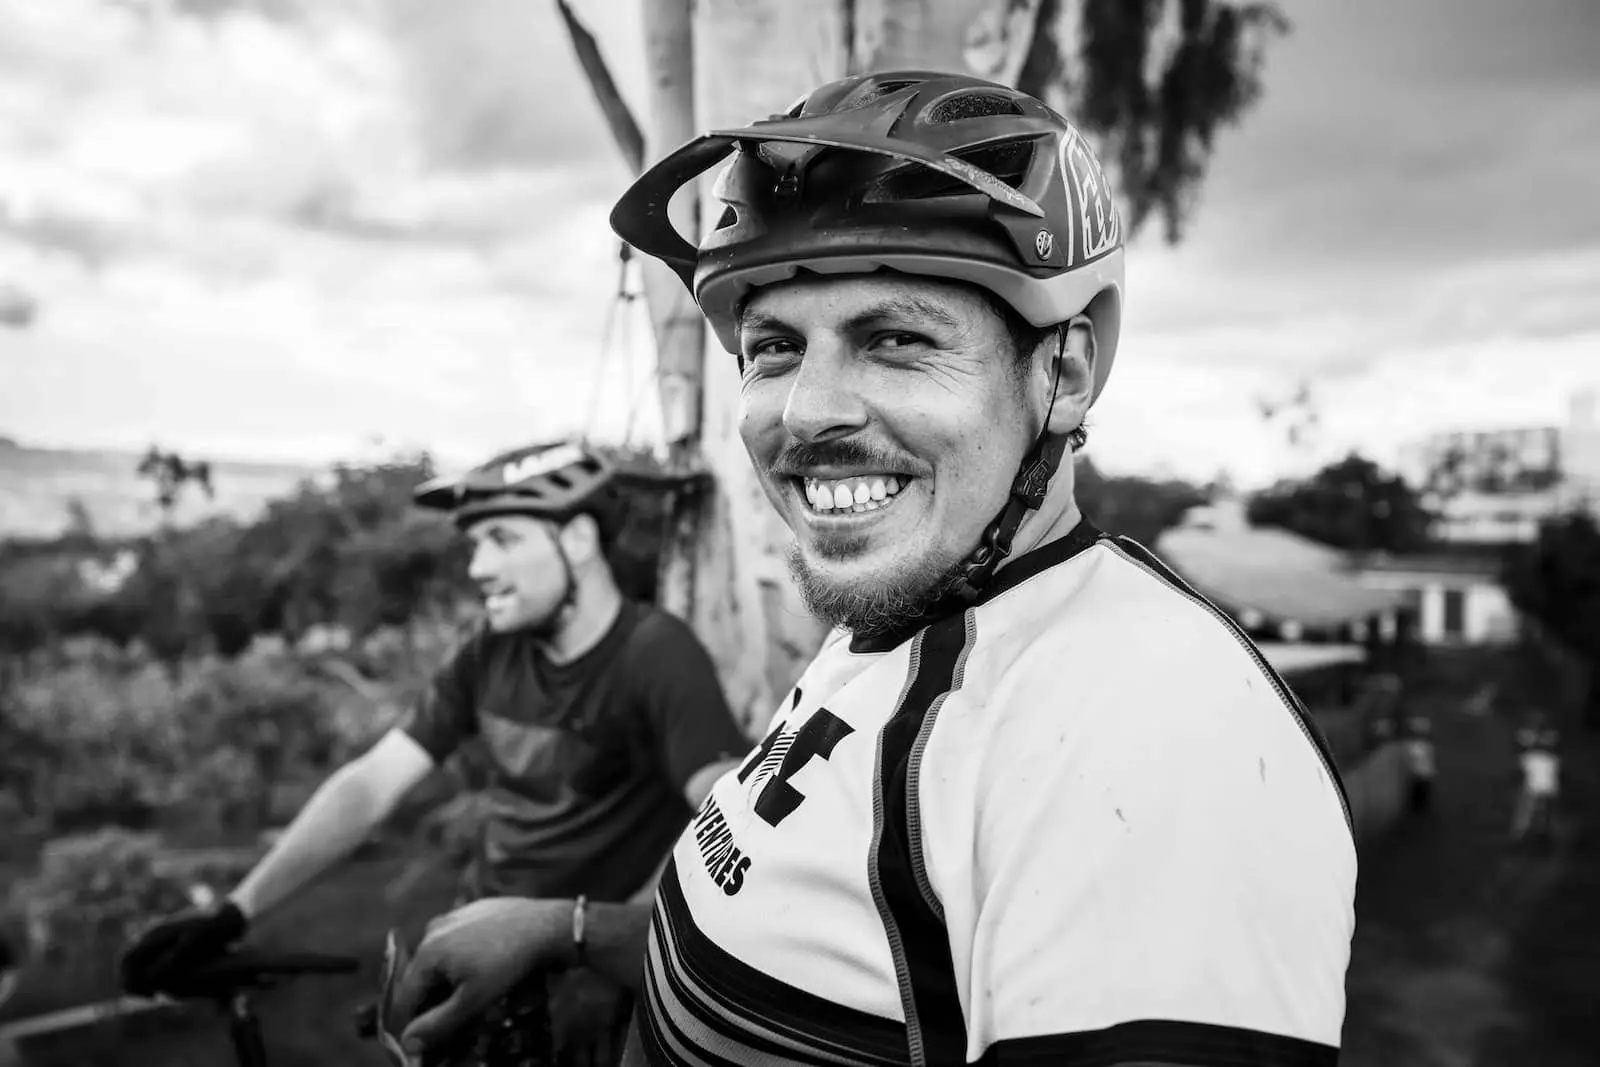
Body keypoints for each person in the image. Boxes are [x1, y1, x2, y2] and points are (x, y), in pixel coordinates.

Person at [387, 71, 1358, 1066]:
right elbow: (808, 953)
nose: (807, 412)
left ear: (1061, 372)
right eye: (773, 347)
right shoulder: (902, 618)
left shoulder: (1148, 737)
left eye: (894, 338)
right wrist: (571, 931)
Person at [120, 441, 750, 1063]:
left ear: (579, 540)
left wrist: (609, 946)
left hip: (580, 980)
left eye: (502, 539)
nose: (478, 567)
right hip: (478, 954)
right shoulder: (489, 652)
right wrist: (234, 912)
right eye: (475, 544)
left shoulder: (655, 654)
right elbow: (373, 783)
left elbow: (727, 810)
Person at [1511, 712, 1561, 843]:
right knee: (1530, 808)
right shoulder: (1528, 740)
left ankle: (1540, 834)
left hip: (1543, 778)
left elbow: (1551, 740)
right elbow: (1522, 741)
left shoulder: (1547, 741)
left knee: (1543, 809)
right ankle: (1523, 834)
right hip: (1536, 779)